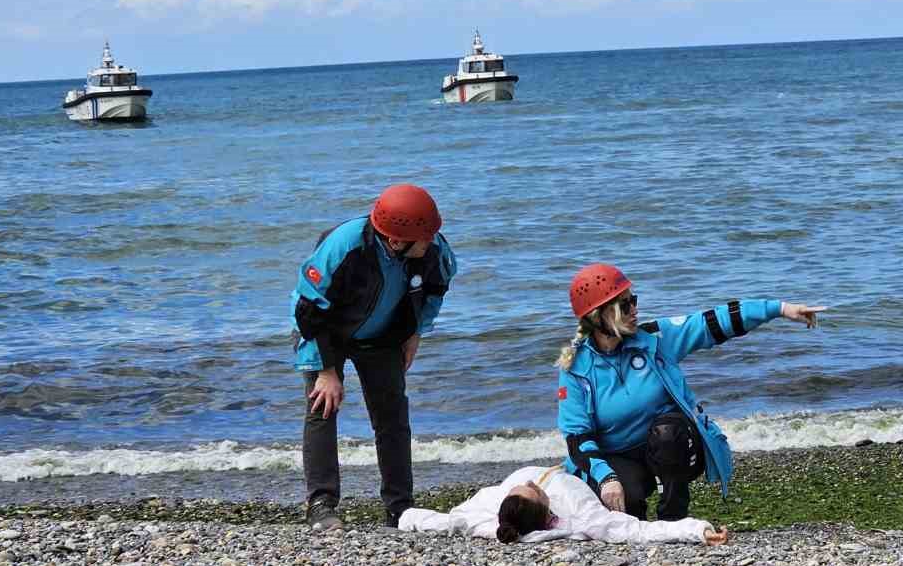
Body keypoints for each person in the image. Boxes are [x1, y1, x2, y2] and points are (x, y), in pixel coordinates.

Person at [558, 263, 824, 522]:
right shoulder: (575, 369)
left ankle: (674, 519)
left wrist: (779, 309)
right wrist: (606, 477)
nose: (635, 310)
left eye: (634, 300)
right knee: (628, 504)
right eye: (625, 305)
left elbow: (712, 322)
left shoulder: (656, 338)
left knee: (668, 433)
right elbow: (577, 439)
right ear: (598, 316)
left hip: (669, 446)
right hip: (614, 457)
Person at [290, 184, 457, 532]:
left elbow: (436, 290)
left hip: (383, 337)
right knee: (323, 407)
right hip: (323, 331)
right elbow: (307, 309)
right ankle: (321, 504)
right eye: (425, 236)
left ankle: (400, 507)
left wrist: (416, 333)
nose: (433, 240)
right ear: (396, 241)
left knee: (392, 415)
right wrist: (325, 371)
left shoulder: (433, 249)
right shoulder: (344, 245)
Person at [399, 464, 730, 545]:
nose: (530, 484)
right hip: (576, 472)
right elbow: (637, 530)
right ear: (547, 511)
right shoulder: (578, 512)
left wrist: (405, 517)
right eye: (533, 492)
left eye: (523, 489)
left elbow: (447, 520)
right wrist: (698, 530)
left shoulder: (491, 508)